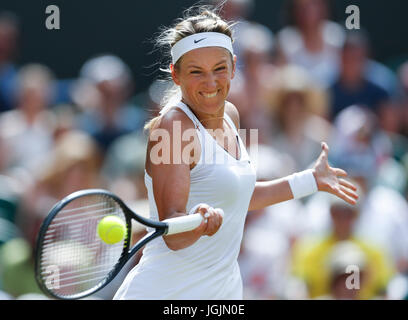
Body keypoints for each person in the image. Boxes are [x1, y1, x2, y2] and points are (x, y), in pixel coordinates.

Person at [113, 6, 358, 300]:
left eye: (219, 68)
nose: (211, 82)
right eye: (196, 72)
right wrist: (197, 221)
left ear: (233, 66)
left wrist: (310, 180)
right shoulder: (174, 126)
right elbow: (174, 235)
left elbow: (238, 197)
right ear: (176, 75)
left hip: (222, 293)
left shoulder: (231, 115)